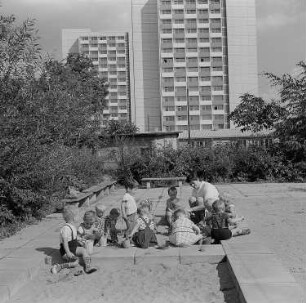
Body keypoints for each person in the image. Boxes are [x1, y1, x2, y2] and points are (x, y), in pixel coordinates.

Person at [51, 207, 97, 275]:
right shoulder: (65, 228)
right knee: (75, 263)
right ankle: (59, 266)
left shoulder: (72, 226)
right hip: (66, 251)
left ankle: (88, 267)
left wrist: (80, 239)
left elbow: (74, 237)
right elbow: (65, 242)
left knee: (84, 251)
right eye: (78, 215)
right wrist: (68, 252)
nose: (80, 217)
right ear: (74, 217)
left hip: (73, 248)